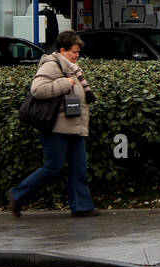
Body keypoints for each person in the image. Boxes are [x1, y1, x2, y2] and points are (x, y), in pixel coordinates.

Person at [8, 30, 99, 217]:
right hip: (56, 128)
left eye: (78, 52)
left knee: (79, 168)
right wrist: (65, 83)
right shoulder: (52, 65)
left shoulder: (72, 66)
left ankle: (81, 206)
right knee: (53, 167)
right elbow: (38, 89)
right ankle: (18, 195)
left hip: (73, 125)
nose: (77, 55)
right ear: (62, 50)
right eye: (74, 51)